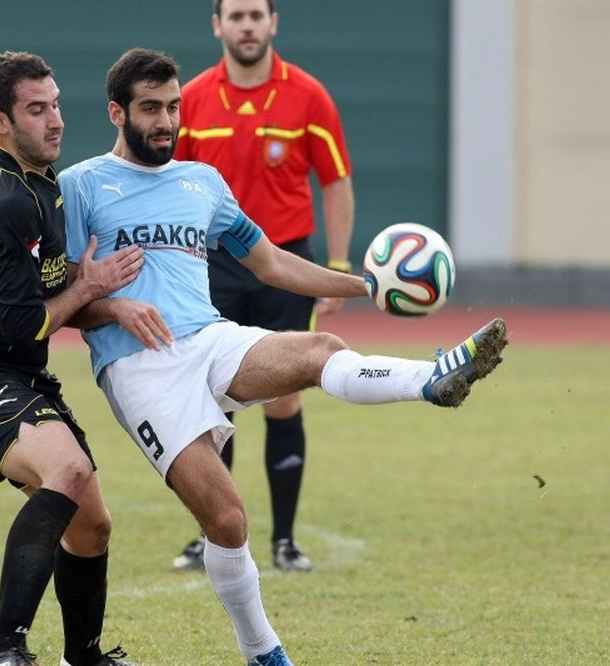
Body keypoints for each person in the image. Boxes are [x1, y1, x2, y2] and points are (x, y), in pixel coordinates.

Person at [56, 47, 508, 666]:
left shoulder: (202, 182)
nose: (166, 121)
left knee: (321, 348)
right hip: (139, 367)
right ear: (118, 113)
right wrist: (114, 308)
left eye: (174, 107)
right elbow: (57, 300)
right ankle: (261, 649)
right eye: (151, 109)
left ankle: (434, 379)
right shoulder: (80, 186)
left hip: (210, 340)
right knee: (229, 521)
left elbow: (267, 260)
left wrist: (362, 285)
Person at [0, 51, 140, 666]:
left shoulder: (43, 185)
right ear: (1, 121)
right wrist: (92, 287)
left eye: (56, 105)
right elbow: (28, 323)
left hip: (23, 376)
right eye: (36, 109)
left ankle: (85, 655)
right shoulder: (7, 199)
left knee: (92, 526)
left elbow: (50, 287)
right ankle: (0, 650)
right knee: (68, 473)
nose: (55, 121)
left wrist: (96, 290)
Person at [171, 0, 355, 573]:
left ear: (273, 23)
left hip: (287, 264)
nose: (247, 24)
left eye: (257, 14)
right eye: (236, 15)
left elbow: (336, 181)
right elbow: (169, 188)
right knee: (209, 403)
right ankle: (211, 535)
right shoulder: (194, 99)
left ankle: (285, 541)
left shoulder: (308, 95)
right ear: (217, 26)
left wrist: (338, 265)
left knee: (284, 397)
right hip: (214, 265)